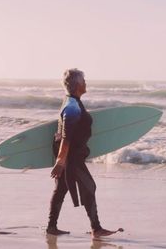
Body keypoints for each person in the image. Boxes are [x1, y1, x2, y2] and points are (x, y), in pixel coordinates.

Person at [47, 68, 117, 238]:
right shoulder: (72, 106)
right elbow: (66, 137)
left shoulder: (71, 101)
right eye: (84, 81)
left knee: (61, 189)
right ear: (78, 84)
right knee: (89, 187)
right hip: (71, 157)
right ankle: (96, 228)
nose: (86, 83)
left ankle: (51, 227)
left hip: (71, 154)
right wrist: (61, 162)